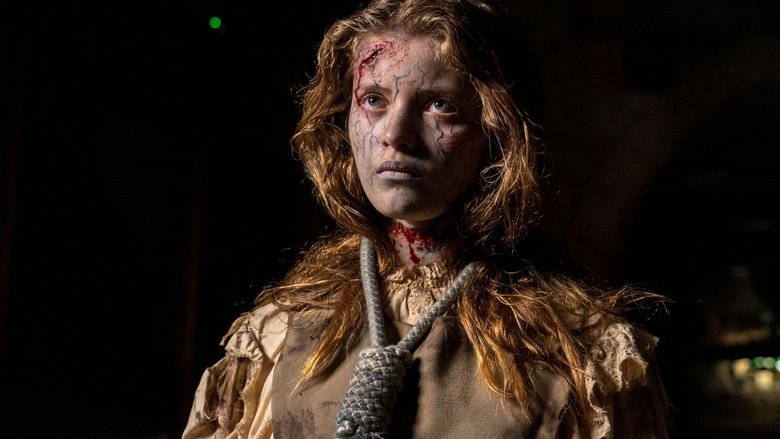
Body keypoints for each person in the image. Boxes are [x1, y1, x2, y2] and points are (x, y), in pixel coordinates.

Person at [182, 0, 672, 437]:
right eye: (374, 100)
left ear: (499, 132)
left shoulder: (584, 353)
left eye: (440, 105)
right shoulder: (279, 335)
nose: (395, 133)